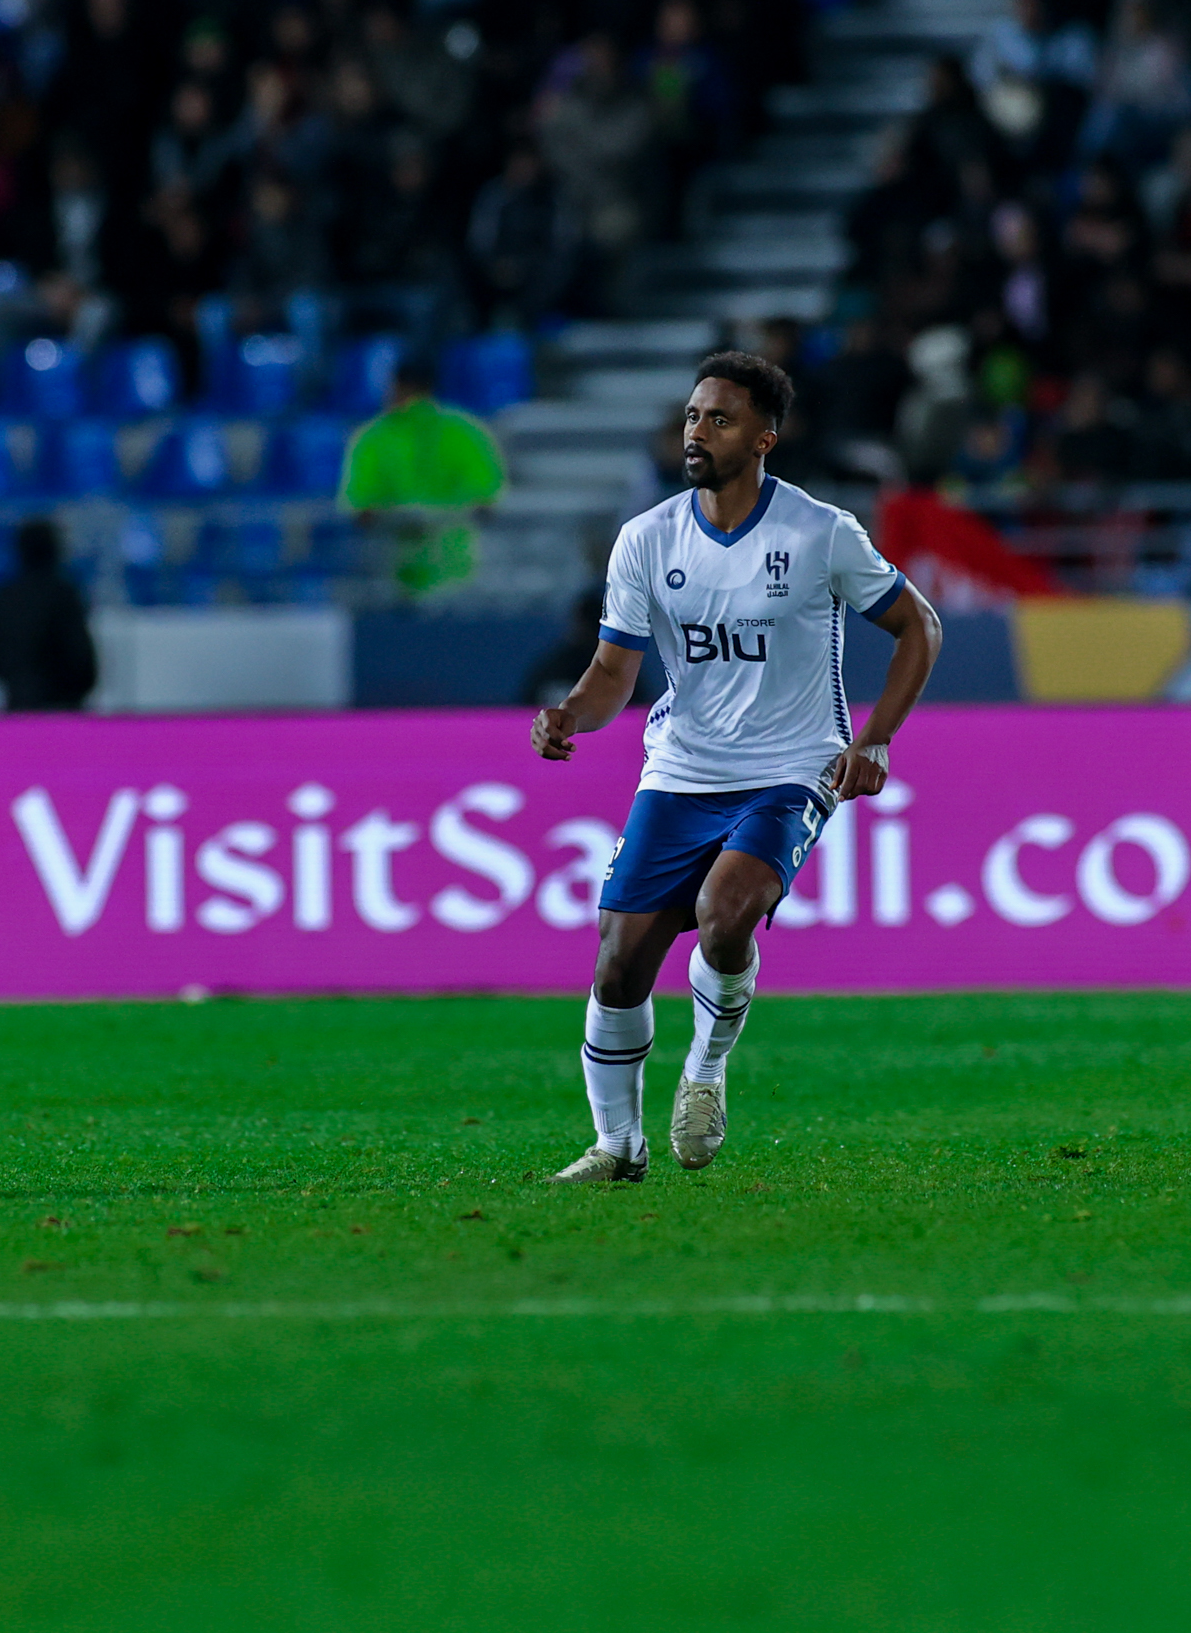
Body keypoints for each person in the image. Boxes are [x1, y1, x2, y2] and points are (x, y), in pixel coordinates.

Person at [530, 351, 943, 1183]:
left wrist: (876, 739)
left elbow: (919, 626)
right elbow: (616, 669)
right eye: (691, 415)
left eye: (719, 419)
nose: (697, 431)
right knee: (618, 963)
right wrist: (574, 712)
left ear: (764, 438)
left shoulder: (820, 532)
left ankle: (705, 1073)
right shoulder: (647, 539)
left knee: (726, 913)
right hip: (682, 769)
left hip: (794, 767)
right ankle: (618, 1146)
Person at [339, 354, 506, 597]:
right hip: (455, 569)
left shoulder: (373, 438)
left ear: (396, 386)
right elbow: (486, 500)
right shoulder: (466, 432)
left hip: (392, 570)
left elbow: (361, 507)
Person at [0, 517, 99, 711]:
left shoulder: (3, 596)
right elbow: (81, 658)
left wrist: (17, 680)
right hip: (65, 710)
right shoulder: (65, 594)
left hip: (19, 705)